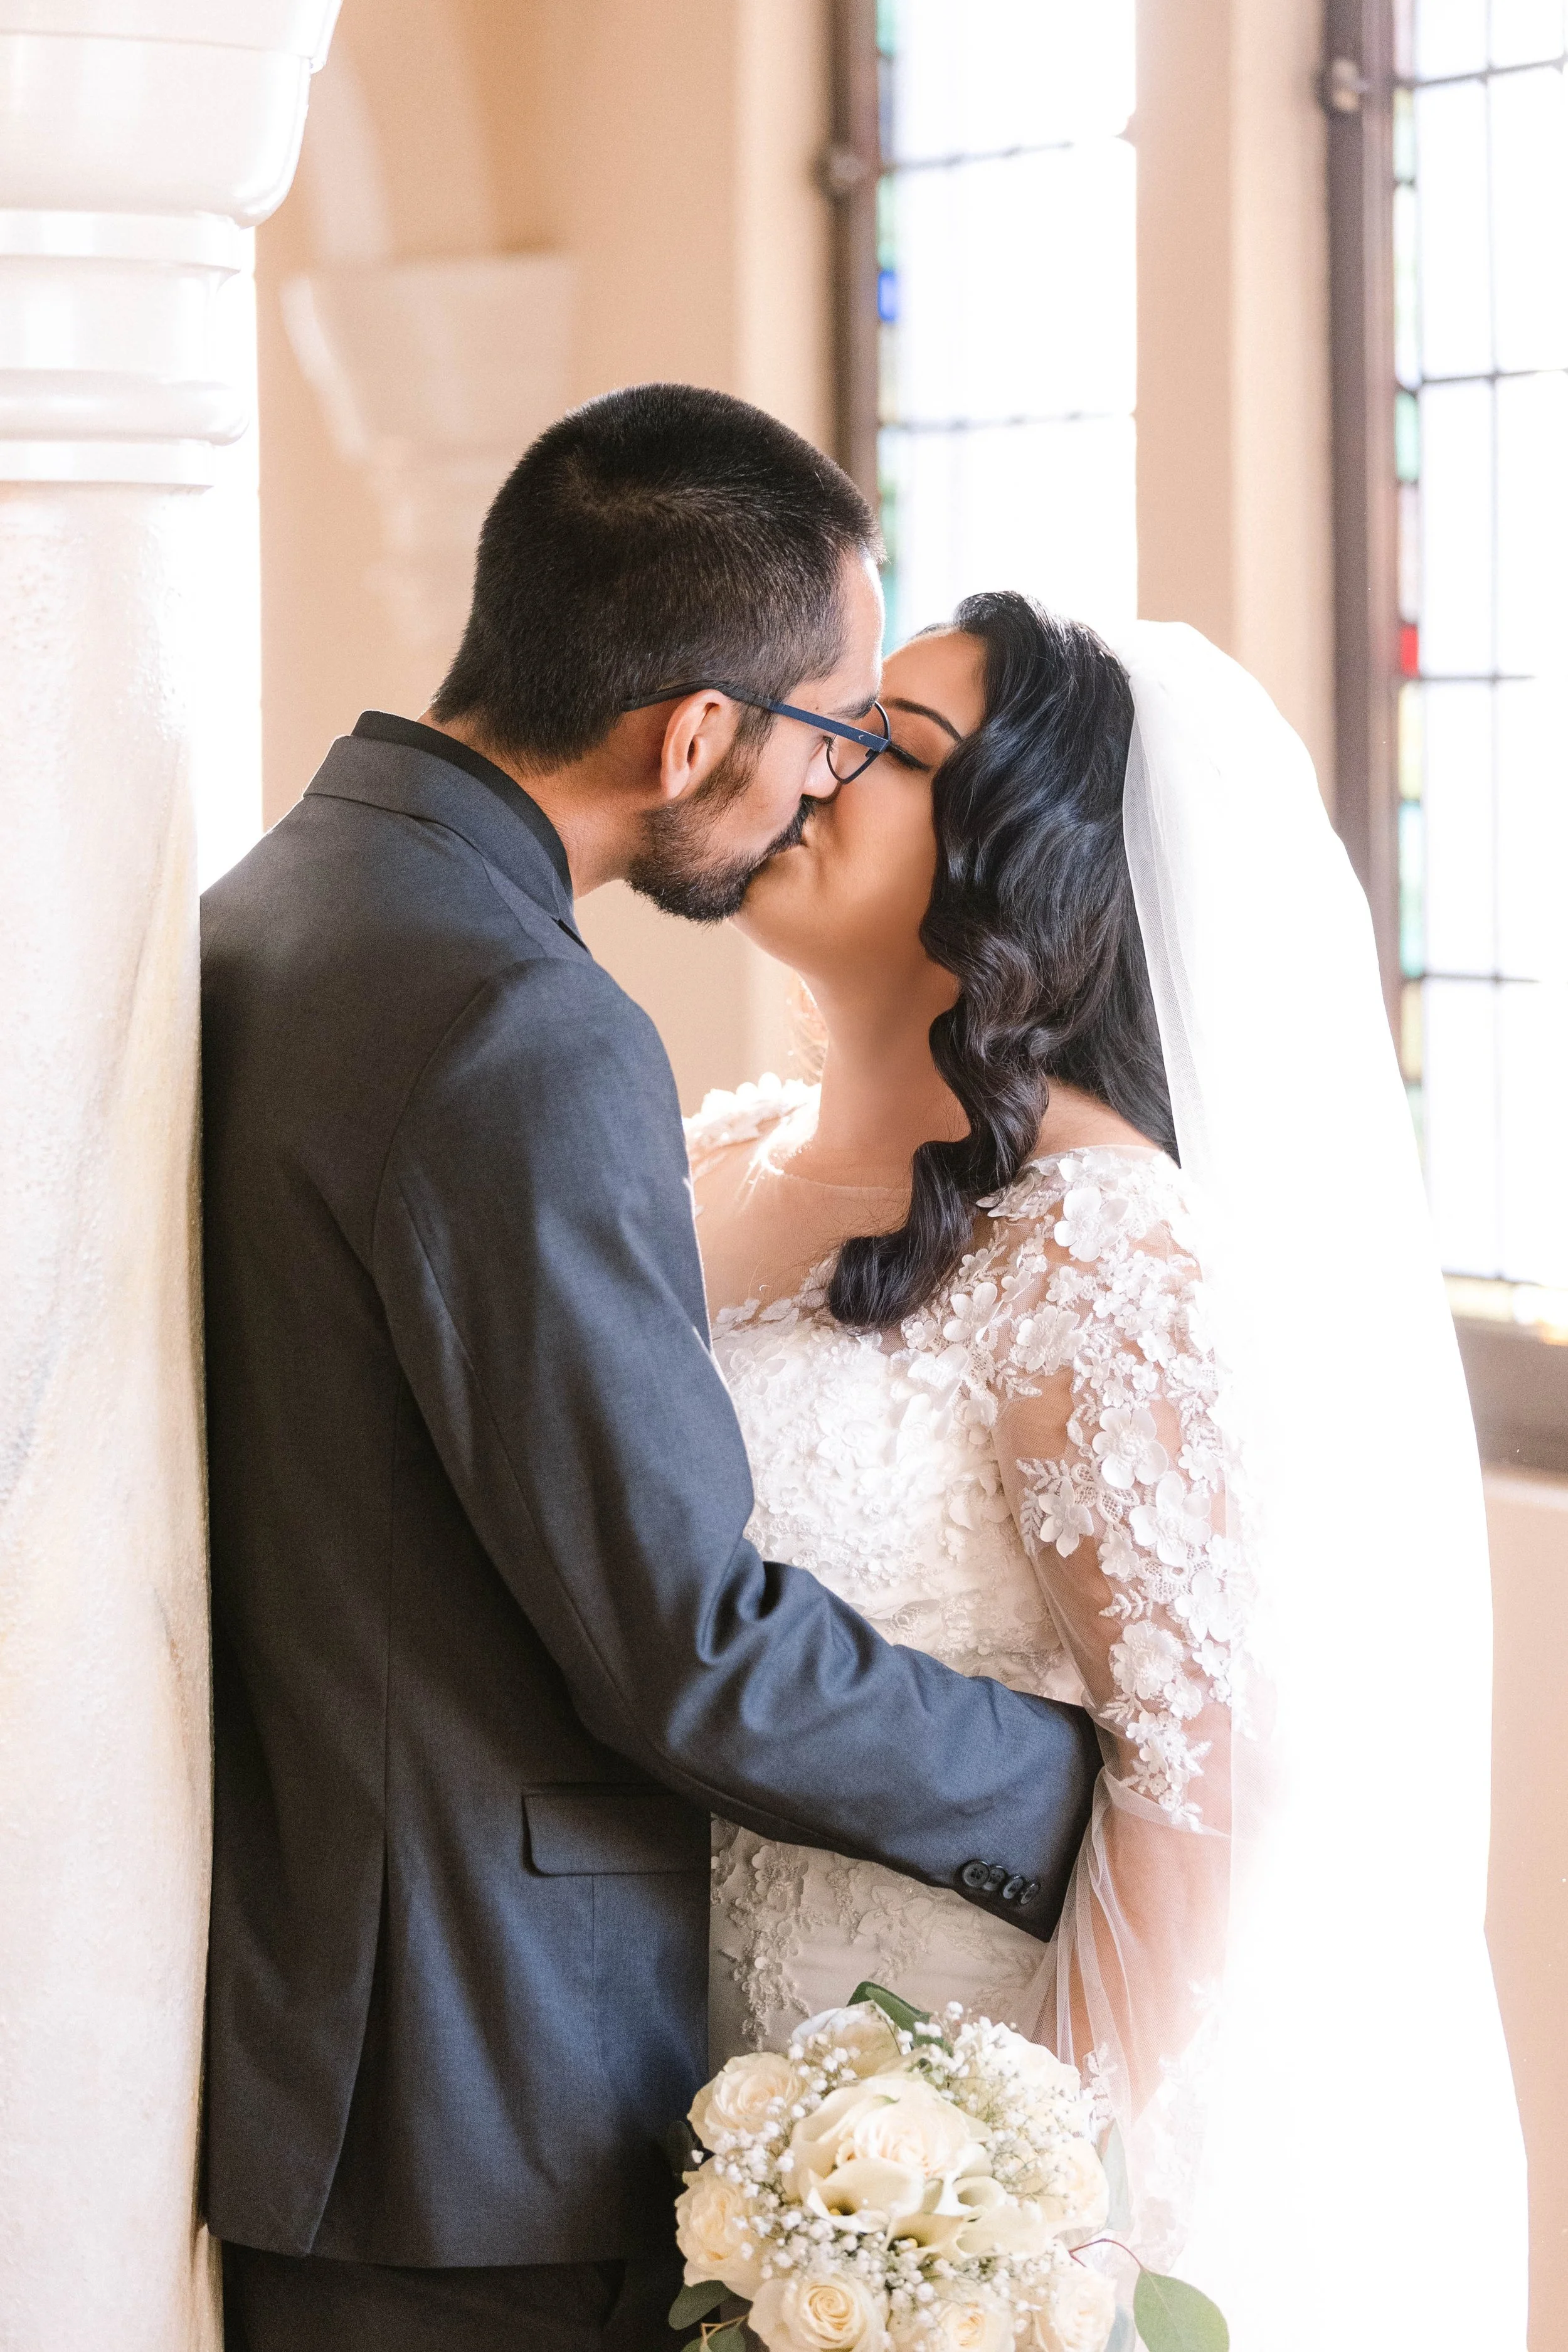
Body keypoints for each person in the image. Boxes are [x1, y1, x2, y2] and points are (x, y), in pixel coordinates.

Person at [199, 388, 1103, 2352]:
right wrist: (1067, 1785)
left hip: (356, 2040)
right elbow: (679, 1637)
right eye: (828, 726)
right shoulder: (522, 1023)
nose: (825, 779)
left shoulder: (290, 900)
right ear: (696, 731)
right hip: (478, 2080)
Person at [693, 593, 1529, 2347]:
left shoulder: (1094, 1244)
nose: (814, 770)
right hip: (667, 2076)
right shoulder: (707, 1164)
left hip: (945, 2133)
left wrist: (1005, 2217)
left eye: (892, 751)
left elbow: (1206, 1777)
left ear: (1024, 868)